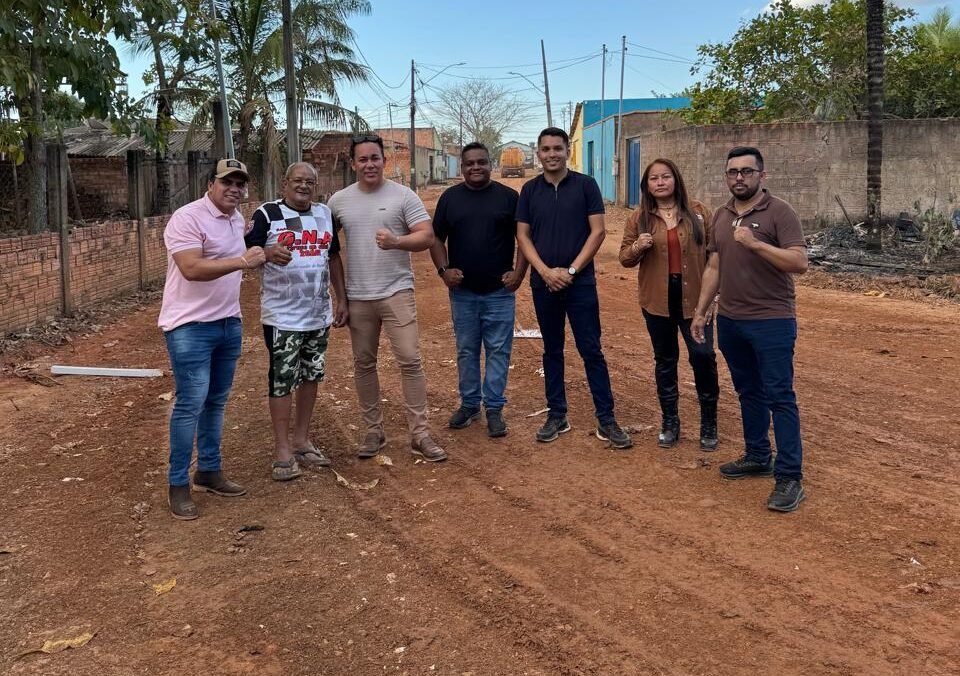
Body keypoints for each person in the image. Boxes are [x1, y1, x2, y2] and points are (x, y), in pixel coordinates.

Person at [691, 147, 809, 512]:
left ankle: (789, 476)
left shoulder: (780, 212)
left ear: (762, 175)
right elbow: (714, 265)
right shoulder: (721, 216)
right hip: (731, 320)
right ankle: (758, 454)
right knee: (748, 392)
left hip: (772, 321)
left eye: (746, 171)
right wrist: (701, 310)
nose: (738, 178)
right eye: (732, 172)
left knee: (779, 395)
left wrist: (756, 244)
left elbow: (799, 262)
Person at [327, 135, 447, 462]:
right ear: (353, 164)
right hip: (358, 296)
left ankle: (420, 434)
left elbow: (426, 235)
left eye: (375, 158)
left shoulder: (403, 196)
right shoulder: (338, 202)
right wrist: (339, 297)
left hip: (397, 291)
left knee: (410, 359)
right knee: (363, 363)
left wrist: (397, 242)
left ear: (384, 160)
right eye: (363, 159)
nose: (370, 164)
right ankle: (373, 431)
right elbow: (328, 249)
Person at [158, 158, 265, 520]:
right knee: (191, 403)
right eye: (227, 183)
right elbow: (191, 268)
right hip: (189, 326)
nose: (234, 189)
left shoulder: (236, 217)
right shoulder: (187, 218)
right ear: (210, 183)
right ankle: (177, 483)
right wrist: (242, 262)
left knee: (216, 402)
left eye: (240, 184)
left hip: (227, 322)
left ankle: (209, 469)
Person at [515, 127, 632, 449]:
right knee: (552, 350)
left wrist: (569, 271)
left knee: (591, 349)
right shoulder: (529, 190)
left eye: (557, 148)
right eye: (546, 149)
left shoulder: (585, 186)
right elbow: (523, 236)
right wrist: (544, 271)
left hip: (580, 283)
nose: (552, 154)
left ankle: (606, 419)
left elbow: (597, 232)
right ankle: (557, 414)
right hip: (543, 283)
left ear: (568, 151)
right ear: (538, 153)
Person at [245, 162, 348, 481]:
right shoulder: (266, 214)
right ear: (284, 184)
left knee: (311, 375)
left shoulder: (324, 214)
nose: (304, 186)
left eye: (310, 182)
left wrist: (341, 298)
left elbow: (332, 257)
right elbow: (246, 251)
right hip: (282, 316)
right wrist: (267, 251)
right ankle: (282, 450)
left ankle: (302, 440)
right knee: (282, 380)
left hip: (317, 313)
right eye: (297, 181)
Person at [619, 159, 720, 451]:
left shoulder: (699, 212)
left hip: (696, 300)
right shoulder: (639, 218)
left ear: (676, 179)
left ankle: (709, 422)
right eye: (654, 178)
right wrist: (639, 245)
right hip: (657, 300)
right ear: (647, 185)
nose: (660, 182)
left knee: (702, 356)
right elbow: (625, 258)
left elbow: (715, 256)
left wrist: (714, 297)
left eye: (666, 177)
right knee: (665, 360)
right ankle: (670, 421)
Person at [429, 142, 527, 438]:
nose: (475, 167)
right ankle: (470, 404)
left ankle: (495, 408)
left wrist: (519, 273)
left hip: (499, 291)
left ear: (490, 164)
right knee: (466, 350)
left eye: (481, 162)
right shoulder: (450, 198)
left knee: (499, 351)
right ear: (462, 167)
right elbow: (436, 239)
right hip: (463, 293)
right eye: (469, 163)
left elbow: (524, 239)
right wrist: (443, 271)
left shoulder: (509, 198)